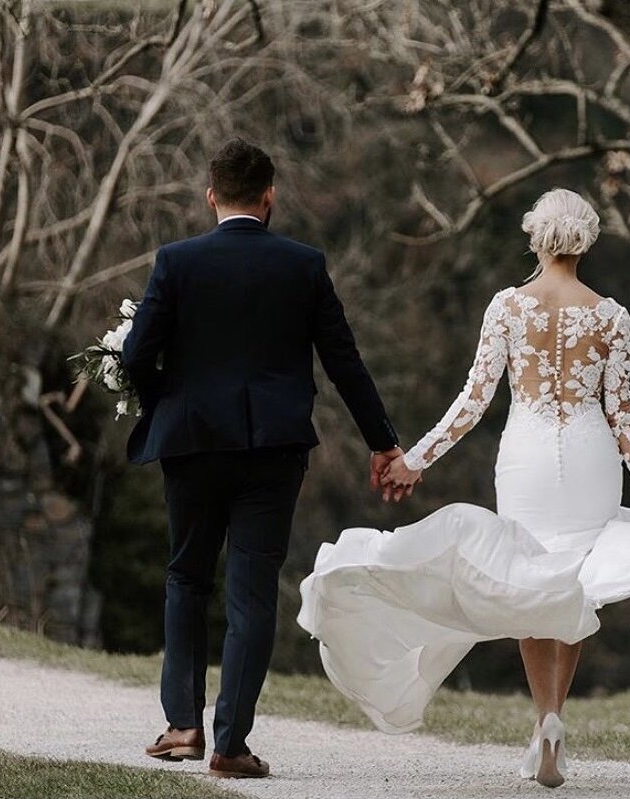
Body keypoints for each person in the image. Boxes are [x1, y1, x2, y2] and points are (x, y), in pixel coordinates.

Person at [298, 188, 630, 788]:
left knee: (529, 580)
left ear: (535, 237)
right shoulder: (611, 316)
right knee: (576, 583)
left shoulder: (506, 306)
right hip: (588, 458)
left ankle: (542, 719)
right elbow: (625, 416)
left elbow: (474, 402)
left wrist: (415, 460)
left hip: (525, 458)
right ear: (587, 239)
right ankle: (552, 722)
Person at [122, 138, 404, 779]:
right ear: (270, 196)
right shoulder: (303, 265)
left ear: (211, 196)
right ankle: (230, 745)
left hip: (191, 446)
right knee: (251, 594)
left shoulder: (176, 261)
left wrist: (166, 404)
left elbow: (137, 355)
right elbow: (343, 362)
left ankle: (183, 725)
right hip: (273, 452)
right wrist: (383, 442)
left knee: (186, 577)